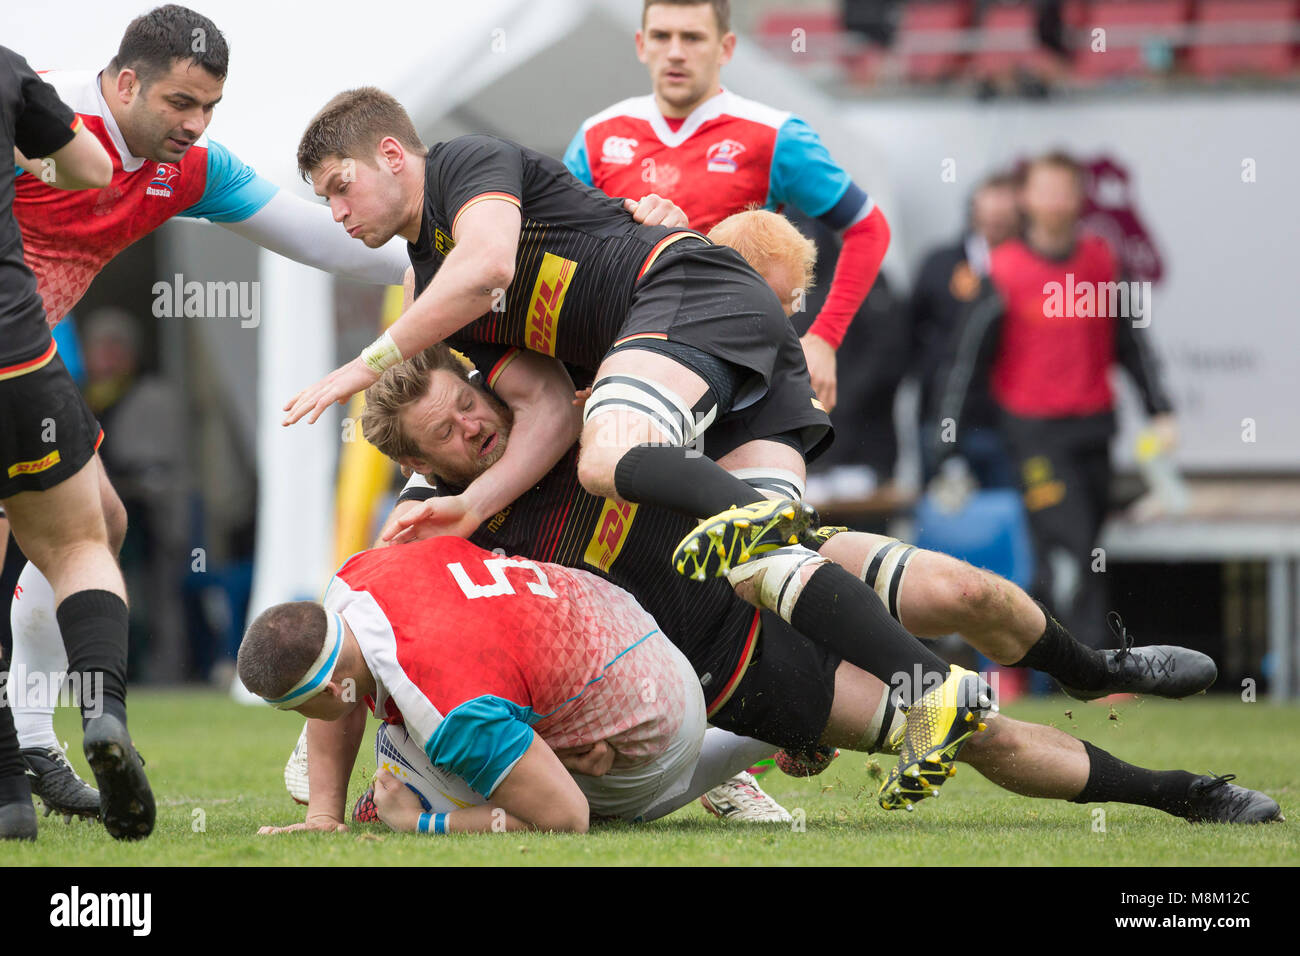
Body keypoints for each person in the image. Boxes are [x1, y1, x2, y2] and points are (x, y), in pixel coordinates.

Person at [283, 87, 998, 801]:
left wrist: (364, 364)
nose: (339, 212)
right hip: (686, 380)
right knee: (763, 576)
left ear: (391, 155)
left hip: (689, 311)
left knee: (631, 475)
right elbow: (543, 405)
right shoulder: (443, 292)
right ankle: (1000, 684)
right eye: (327, 201)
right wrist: (469, 504)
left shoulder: (468, 165)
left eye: (342, 188)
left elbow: (492, 265)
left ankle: (900, 648)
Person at [258, 451, 1277, 836]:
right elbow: (398, 660)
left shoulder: (560, 411)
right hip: (721, 669)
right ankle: (1183, 793)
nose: (468, 437)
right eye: (442, 435)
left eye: (474, 415)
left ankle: (1093, 663)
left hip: (751, 561)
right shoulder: (434, 518)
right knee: (978, 734)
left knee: (962, 587)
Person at [4, 4, 414, 821]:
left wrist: (463, 246)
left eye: (211, 109)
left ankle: (30, 745)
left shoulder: (188, 171)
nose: (197, 125)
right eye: (180, 104)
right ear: (124, 83)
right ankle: (23, 755)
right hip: (20, 367)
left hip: (25, 373)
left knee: (100, 528)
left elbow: (327, 242)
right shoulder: (36, 109)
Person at [563, 0, 891, 413]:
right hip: (621, 369)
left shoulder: (774, 135)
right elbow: (560, 251)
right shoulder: (597, 136)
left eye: (693, 37)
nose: (676, 51)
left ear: (726, 48)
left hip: (739, 378)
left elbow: (869, 227)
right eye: (663, 36)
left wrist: (824, 338)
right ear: (641, 44)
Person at [0, 43, 152, 841]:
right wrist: (22, 146)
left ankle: (12, 786)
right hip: (18, 354)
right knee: (86, 541)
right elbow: (93, 169)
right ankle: (97, 711)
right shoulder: (9, 67)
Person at [936, 152, 1177, 650]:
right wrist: (947, 445)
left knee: (1077, 547)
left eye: (1064, 190)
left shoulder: (1100, 259)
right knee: (1071, 547)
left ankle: (1020, 654)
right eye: (1044, 190)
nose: (1054, 202)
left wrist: (1160, 409)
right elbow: (964, 363)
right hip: (1034, 434)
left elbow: (1130, 342)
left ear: (1079, 199)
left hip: (1094, 427)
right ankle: (1095, 662)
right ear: (1026, 198)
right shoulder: (1001, 270)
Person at [909, 172, 1021, 487]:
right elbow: (911, 331)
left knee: (1010, 517)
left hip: (1010, 422)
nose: (997, 221)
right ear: (973, 211)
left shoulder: (1029, 269)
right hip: (943, 417)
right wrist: (931, 371)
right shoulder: (940, 263)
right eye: (991, 212)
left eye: (1006, 215)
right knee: (943, 518)